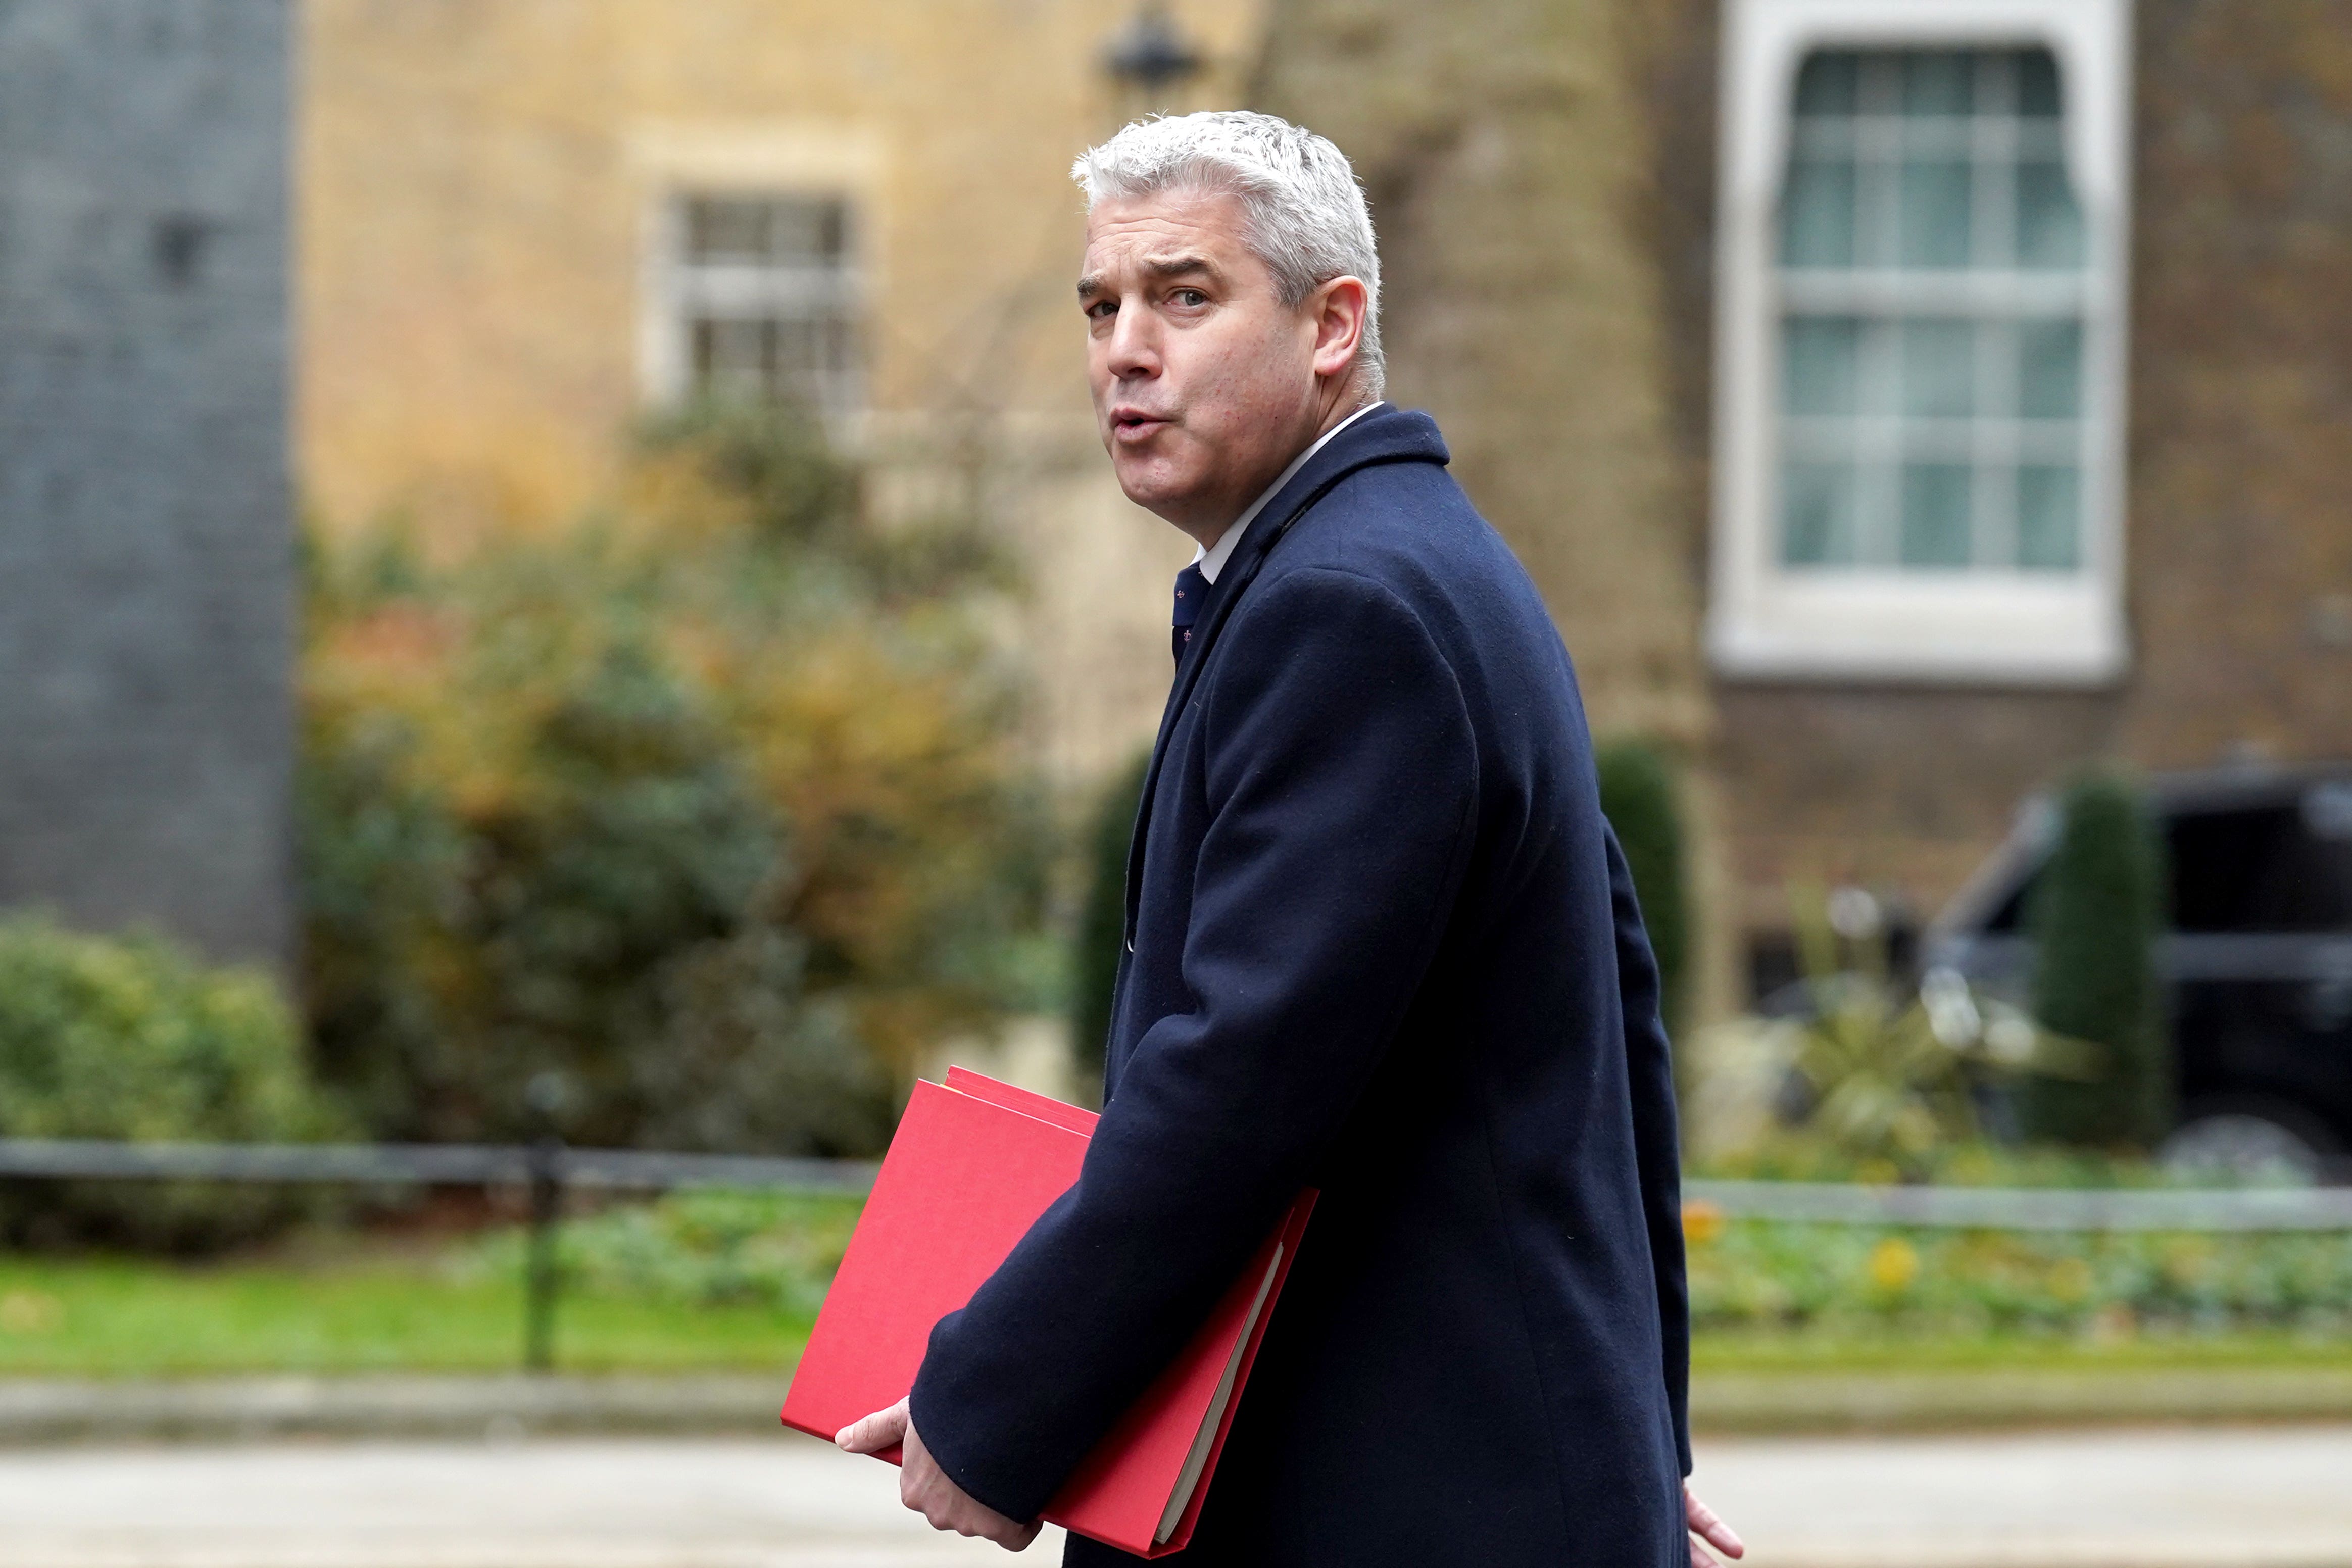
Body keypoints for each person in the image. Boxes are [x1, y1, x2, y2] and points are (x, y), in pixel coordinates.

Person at [838, 110, 1744, 1568]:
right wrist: (1638, 1429)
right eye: (1101, 306)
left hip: (1394, 1500)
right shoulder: (1418, 563)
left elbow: (1236, 1084)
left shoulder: (1351, 608)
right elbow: (1611, 1017)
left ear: (1334, 327)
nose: (1125, 348)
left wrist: (998, 1403)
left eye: (1184, 296)